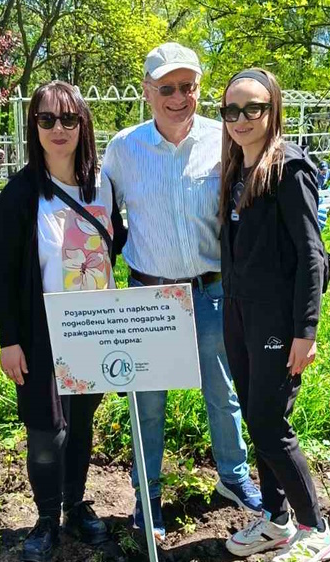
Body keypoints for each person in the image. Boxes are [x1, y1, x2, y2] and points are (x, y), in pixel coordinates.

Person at [100, 42, 263, 540]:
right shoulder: (124, 149)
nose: (178, 97)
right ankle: (147, 497)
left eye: (187, 87)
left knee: (223, 393)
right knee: (147, 404)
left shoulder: (223, 140)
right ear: (147, 91)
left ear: (198, 89)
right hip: (149, 297)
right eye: (167, 88)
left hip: (211, 292)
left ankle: (233, 477)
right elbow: (101, 220)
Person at [0, 81, 127, 562]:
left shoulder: (102, 186)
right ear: (34, 126)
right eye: (46, 119)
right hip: (42, 331)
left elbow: (116, 243)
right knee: (48, 429)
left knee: (82, 421)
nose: (58, 128)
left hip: (94, 326)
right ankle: (46, 518)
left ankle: (75, 505)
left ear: (83, 124)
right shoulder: (20, 196)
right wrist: (10, 341)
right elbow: (4, 276)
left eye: (69, 118)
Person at [217, 68, 330, 562]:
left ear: (273, 110)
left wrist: (305, 330)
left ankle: (315, 529)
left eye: (254, 108)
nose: (241, 118)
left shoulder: (290, 169)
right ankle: (276, 519)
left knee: (270, 424)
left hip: (276, 322)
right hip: (238, 314)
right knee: (255, 417)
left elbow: (311, 254)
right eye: (232, 110)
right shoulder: (236, 169)